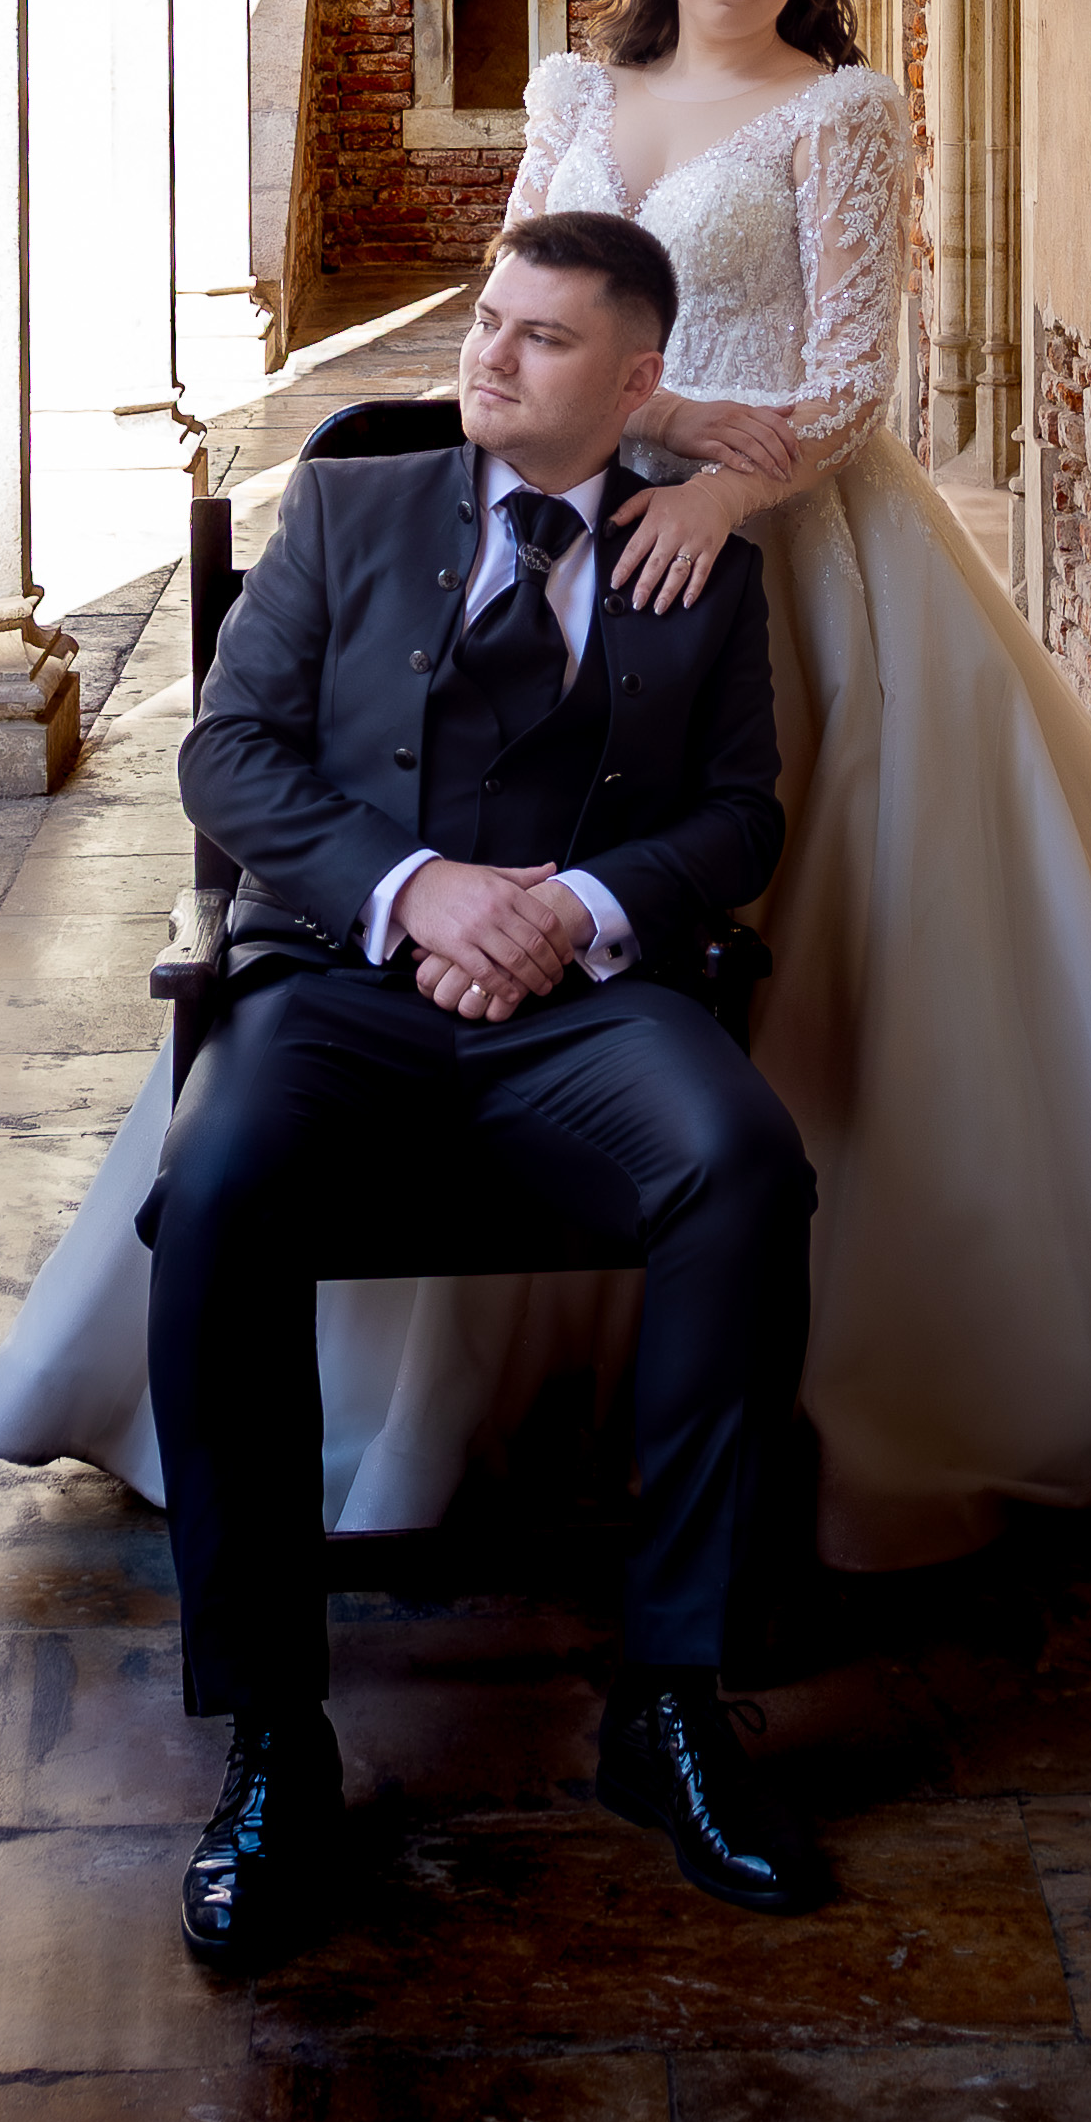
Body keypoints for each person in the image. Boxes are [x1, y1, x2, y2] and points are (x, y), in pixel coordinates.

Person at [0, 0, 1091, 1791]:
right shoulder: (578, 94)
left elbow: (846, 375)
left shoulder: (840, 113)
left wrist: (714, 484)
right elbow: (519, 307)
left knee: (790, 955)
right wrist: (615, 441)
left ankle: (802, 1408)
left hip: (785, 552)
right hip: (600, 500)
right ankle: (453, 1427)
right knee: (483, 854)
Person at [134, 206, 825, 1967]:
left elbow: (735, 820)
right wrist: (417, 891)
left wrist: (571, 912)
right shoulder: (349, 509)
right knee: (213, 1192)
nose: (489, 353)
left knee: (741, 1162)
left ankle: (670, 1699)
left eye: (540, 336)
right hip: (337, 985)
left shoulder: (701, 567)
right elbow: (226, 756)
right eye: (489, 321)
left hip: (581, 1006)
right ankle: (273, 1733)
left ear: (636, 381)